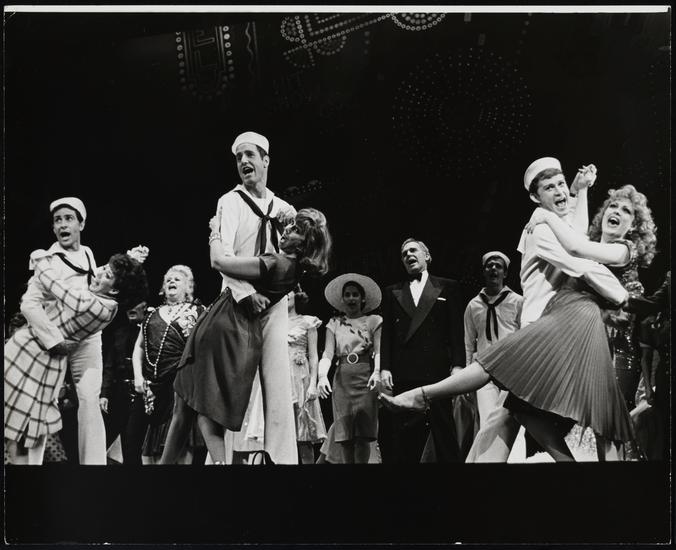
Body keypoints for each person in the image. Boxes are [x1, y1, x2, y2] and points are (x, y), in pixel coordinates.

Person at [381, 163, 644, 462]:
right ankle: (425, 397)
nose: (560, 192)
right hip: (547, 324)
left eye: (561, 185)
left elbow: (578, 240)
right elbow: (578, 258)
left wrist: (579, 190)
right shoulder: (541, 230)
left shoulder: (557, 225)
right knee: (502, 392)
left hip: (565, 327)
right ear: (535, 197)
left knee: (512, 407)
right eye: (550, 187)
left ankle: (427, 399)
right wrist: (619, 295)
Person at [159, 207, 331, 464]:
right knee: (184, 404)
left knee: (203, 409)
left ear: (304, 244)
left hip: (225, 329)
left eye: (295, 230)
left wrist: (215, 232)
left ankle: (220, 465)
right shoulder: (290, 268)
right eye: (291, 226)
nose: (287, 231)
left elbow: (219, 262)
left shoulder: (278, 263)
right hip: (231, 329)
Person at [18, 196, 149, 464]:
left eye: (69, 219)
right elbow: (29, 304)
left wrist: (130, 259)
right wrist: (53, 340)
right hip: (54, 339)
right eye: (57, 220)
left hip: (87, 339)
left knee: (90, 400)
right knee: (42, 404)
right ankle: (30, 468)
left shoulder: (87, 253)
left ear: (81, 224)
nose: (62, 225)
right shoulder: (47, 260)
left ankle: (94, 466)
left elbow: (103, 277)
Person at [378, 238, 465, 463]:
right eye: (404, 253)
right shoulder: (392, 291)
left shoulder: (447, 286)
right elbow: (387, 334)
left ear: (426, 256)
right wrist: (384, 368)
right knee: (406, 434)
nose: (408, 255)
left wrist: (458, 365)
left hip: (437, 371)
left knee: (443, 430)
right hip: (404, 370)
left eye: (413, 250)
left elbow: (456, 331)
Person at [115, 265, 204, 466]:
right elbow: (139, 347)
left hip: (180, 385)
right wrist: (138, 377)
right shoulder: (151, 315)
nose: (172, 281)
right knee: (135, 439)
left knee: (178, 441)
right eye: (168, 279)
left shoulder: (198, 312)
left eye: (177, 279)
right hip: (149, 387)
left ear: (188, 287)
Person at [316, 274, 382, 464]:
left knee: (363, 435)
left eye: (355, 294)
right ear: (342, 299)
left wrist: (377, 372)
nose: (351, 298)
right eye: (347, 294)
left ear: (362, 298)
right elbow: (328, 353)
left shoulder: (374, 321)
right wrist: (322, 376)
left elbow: (379, 351)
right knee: (344, 436)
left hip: (366, 377)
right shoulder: (334, 323)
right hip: (343, 379)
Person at [464, 251, 523, 429]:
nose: (493, 269)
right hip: (484, 370)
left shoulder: (517, 301)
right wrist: (467, 377)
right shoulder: (473, 305)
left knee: (512, 421)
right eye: (489, 266)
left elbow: (525, 336)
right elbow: (468, 343)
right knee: (488, 421)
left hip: (512, 369)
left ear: (505, 273)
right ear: (484, 272)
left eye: (498, 266)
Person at [100, 300, 149, 460]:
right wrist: (104, 394)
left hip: (142, 394)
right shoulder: (119, 333)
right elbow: (109, 366)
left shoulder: (150, 331)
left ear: (144, 307)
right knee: (113, 438)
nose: (131, 309)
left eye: (135, 304)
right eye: (128, 305)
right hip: (119, 394)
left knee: (133, 441)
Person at [285, 288, 327, 464]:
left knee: (303, 436)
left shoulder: (308, 322)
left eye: (288, 292)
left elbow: (314, 356)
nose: (285, 296)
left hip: (300, 380)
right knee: (283, 436)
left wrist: (313, 384)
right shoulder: (273, 322)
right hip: (280, 380)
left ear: (296, 294)